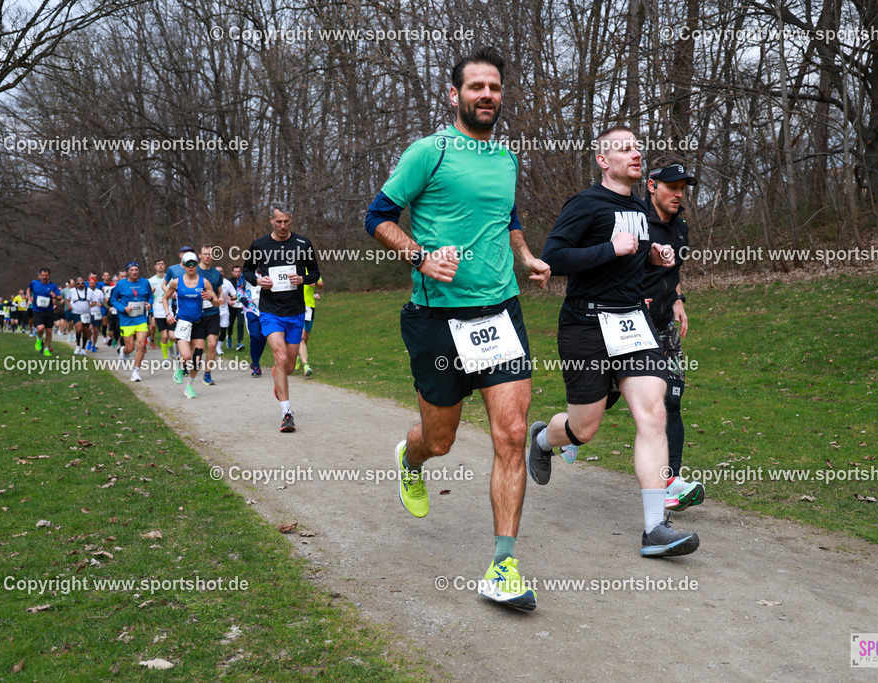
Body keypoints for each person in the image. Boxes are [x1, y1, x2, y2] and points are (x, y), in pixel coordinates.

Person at [365, 47, 550, 610]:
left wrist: (525, 255)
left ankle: (504, 564)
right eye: (476, 87)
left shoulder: (507, 158)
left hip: (499, 311)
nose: (487, 95)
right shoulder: (429, 152)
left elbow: (508, 215)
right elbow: (378, 217)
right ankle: (410, 458)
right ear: (455, 95)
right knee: (439, 440)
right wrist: (419, 256)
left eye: (494, 87)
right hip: (436, 319)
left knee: (513, 434)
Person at [526, 126, 700, 558]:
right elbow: (555, 257)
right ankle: (544, 440)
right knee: (584, 427)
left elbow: (630, 267)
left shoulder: (642, 209)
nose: (636, 153)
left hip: (633, 324)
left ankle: (655, 528)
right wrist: (612, 249)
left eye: (638, 146)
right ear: (604, 161)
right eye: (624, 148)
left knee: (653, 411)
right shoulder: (586, 204)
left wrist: (652, 259)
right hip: (586, 325)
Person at [640, 157, 704, 512]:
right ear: (652, 186)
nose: (678, 194)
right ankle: (561, 434)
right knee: (602, 400)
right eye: (672, 187)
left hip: (663, 324)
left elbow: (673, 271)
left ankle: (671, 481)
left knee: (672, 399)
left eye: (683, 189)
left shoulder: (679, 228)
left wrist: (678, 297)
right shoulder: (635, 221)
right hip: (631, 323)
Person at [242, 203, 319, 432]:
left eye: (286, 221)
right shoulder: (259, 245)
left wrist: (303, 279)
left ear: (291, 219)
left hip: (295, 311)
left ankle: (279, 375)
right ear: (271, 220)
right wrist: (257, 281)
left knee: (290, 365)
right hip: (270, 310)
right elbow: (247, 270)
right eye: (278, 221)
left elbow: (315, 272)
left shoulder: (303, 243)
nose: (283, 226)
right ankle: (287, 414)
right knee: (281, 357)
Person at [164, 252, 221, 397]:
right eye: (187, 264)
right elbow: (165, 298)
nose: (191, 266)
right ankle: (179, 364)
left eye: (193, 264)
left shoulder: (204, 282)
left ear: (196, 264)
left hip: (198, 323)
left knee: (197, 357)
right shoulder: (176, 282)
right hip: (183, 323)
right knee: (187, 356)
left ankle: (189, 386)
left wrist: (210, 298)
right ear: (183, 265)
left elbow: (216, 303)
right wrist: (168, 314)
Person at [110, 261, 155, 382]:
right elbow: (113, 300)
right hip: (126, 320)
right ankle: (123, 351)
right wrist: (123, 308)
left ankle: (136, 371)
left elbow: (150, 296)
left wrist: (149, 304)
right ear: (127, 272)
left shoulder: (145, 282)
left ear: (139, 271)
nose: (134, 272)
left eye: (136, 270)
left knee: (141, 344)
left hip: (141, 318)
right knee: (130, 347)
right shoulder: (121, 284)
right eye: (131, 270)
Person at [195, 246, 224, 385]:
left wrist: (222, 298)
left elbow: (219, 291)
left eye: (210, 254)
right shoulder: (193, 271)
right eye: (205, 254)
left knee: (212, 344)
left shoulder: (216, 274)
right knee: (198, 348)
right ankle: (187, 364)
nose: (208, 256)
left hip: (213, 312)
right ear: (200, 255)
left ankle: (207, 374)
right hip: (196, 314)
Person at [27, 268, 61, 356]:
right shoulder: (34, 283)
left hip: (49, 310)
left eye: (46, 275)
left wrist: (55, 297)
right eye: (43, 275)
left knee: (49, 331)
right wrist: (29, 297)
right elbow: (28, 289)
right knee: (41, 328)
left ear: (49, 276)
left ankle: (46, 349)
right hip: (38, 310)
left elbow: (60, 297)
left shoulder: (53, 285)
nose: (44, 277)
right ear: (40, 275)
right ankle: (39, 339)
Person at [294, 277, 322, 377]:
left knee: (306, 338)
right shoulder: (295, 269)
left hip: (310, 307)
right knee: (302, 336)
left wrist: (314, 282)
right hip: (297, 306)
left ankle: (298, 355)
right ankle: (306, 366)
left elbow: (321, 284)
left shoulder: (311, 271)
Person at [66, 277, 99, 355]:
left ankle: (83, 348)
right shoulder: (72, 291)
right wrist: (69, 306)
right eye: (78, 283)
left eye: (82, 283)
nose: (80, 285)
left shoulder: (89, 291)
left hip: (86, 313)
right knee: (79, 329)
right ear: (76, 284)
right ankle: (78, 346)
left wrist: (92, 304)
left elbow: (94, 301)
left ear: (85, 283)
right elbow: (67, 300)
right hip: (76, 312)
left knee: (85, 331)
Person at [239, 279, 266, 376]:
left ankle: (255, 360)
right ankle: (256, 364)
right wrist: (241, 298)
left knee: (263, 336)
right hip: (251, 309)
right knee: (254, 335)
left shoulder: (266, 271)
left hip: (266, 309)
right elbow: (240, 288)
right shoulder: (246, 275)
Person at [226, 265, 246, 351]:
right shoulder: (228, 282)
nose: (237, 273)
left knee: (240, 323)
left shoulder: (244, 281)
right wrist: (227, 298)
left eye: (239, 271)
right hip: (231, 305)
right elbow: (223, 292)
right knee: (230, 323)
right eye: (235, 271)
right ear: (232, 272)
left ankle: (239, 342)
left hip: (241, 305)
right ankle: (229, 337)